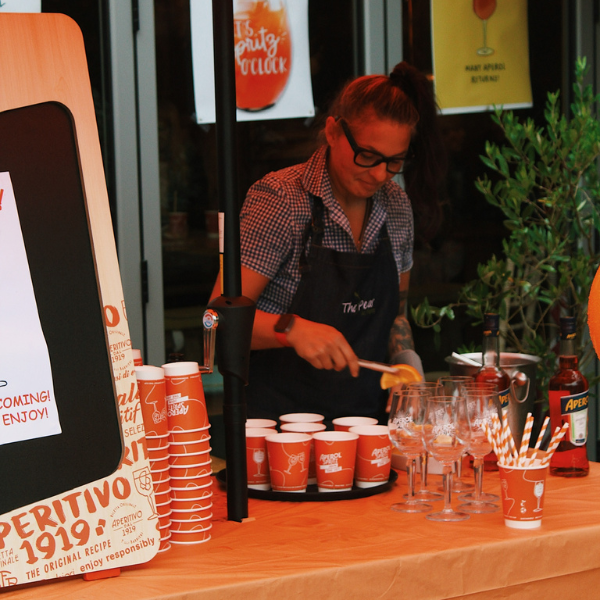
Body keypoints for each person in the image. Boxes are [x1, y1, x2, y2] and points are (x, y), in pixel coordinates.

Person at [211, 61, 446, 423]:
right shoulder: (281, 199)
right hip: (278, 433)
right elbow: (218, 319)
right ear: (334, 130)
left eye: (394, 161)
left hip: (364, 429)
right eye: (367, 156)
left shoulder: (397, 207)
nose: (380, 174)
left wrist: (406, 364)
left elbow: (395, 314)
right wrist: (291, 329)